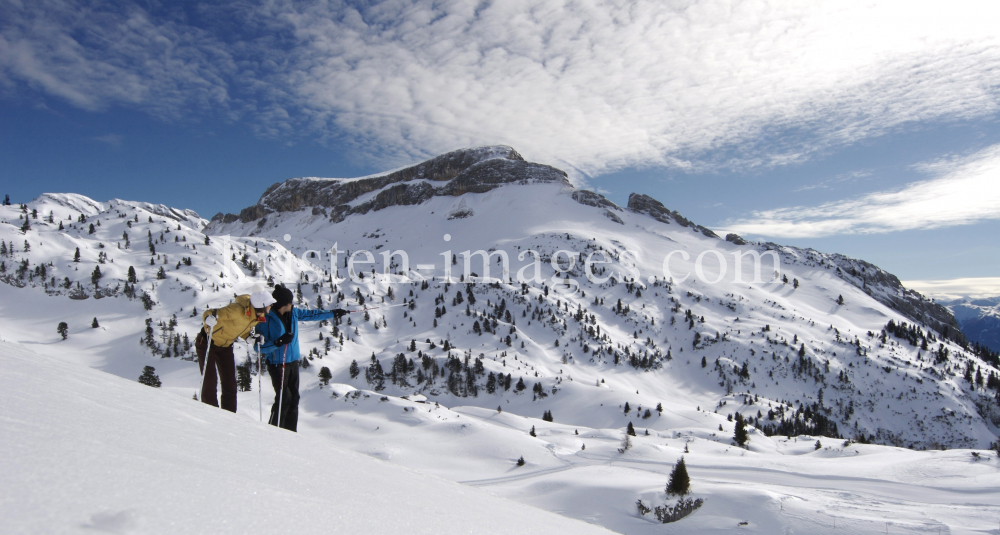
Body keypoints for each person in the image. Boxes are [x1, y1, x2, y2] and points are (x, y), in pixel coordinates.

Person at [258, 284, 347, 431]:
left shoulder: (294, 312)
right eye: (289, 302)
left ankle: (290, 432)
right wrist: (278, 342)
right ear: (283, 304)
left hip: (292, 361)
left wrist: (333, 313)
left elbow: (313, 314)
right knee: (283, 398)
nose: (292, 304)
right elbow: (259, 346)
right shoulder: (266, 319)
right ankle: (273, 430)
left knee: (294, 398)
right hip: (277, 364)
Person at [198, 284, 276, 413]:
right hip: (207, 342)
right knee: (209, 382)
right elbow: (210, 313)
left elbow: (241, 328)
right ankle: (210, 415)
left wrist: (249, 338)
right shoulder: (236, 310)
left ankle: (229, 417)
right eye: (269, 304)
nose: (270, 307)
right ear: (261, 305)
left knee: (230, 384)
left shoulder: (256, 317)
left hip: (225, 346)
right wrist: (208, 319)